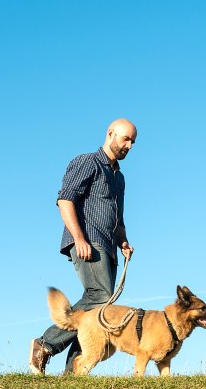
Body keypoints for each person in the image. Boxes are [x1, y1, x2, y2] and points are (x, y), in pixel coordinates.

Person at [30, 118, 136, 375]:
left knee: (99, 311)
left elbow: (117, 216)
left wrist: (123, 239)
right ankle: (44, 345)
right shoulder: (87, 161)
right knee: (99, 297)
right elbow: (65, 200)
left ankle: (74, 373)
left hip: (109, 247)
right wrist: (79, 239)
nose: (129, 146)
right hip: (88, 240)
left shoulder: (118, 177)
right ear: (110, 133)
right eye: (125, 139)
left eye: (133, 142)